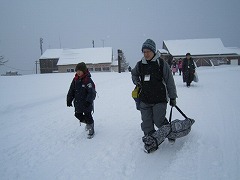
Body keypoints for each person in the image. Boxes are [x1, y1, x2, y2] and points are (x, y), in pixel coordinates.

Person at [131, 39, 178, 142]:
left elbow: (169, 81)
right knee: (147, 123)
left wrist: (173, 97)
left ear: (154, 51)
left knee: (159, 121)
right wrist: (136, 81)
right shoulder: (140, 65)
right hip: (144, 99)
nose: (146, 54)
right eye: (144, 52)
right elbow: (134, 73)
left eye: (148, 51)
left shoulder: (161, 63)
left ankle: (170, 133)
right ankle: (150, 139)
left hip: (159, 99)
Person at [67, 62, 96, 138]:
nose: (78, 72)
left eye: (80, 70)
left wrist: (89, 101)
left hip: (86, 103)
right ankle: (89, 123)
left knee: (88, 116)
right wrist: (69, 100)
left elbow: (92, 92)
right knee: (78, 115)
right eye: (77, 70)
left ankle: (91, 129)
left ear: (83, 71)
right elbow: (71, 90)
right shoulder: (75, 80)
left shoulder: (87, 80)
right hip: (78, 103)